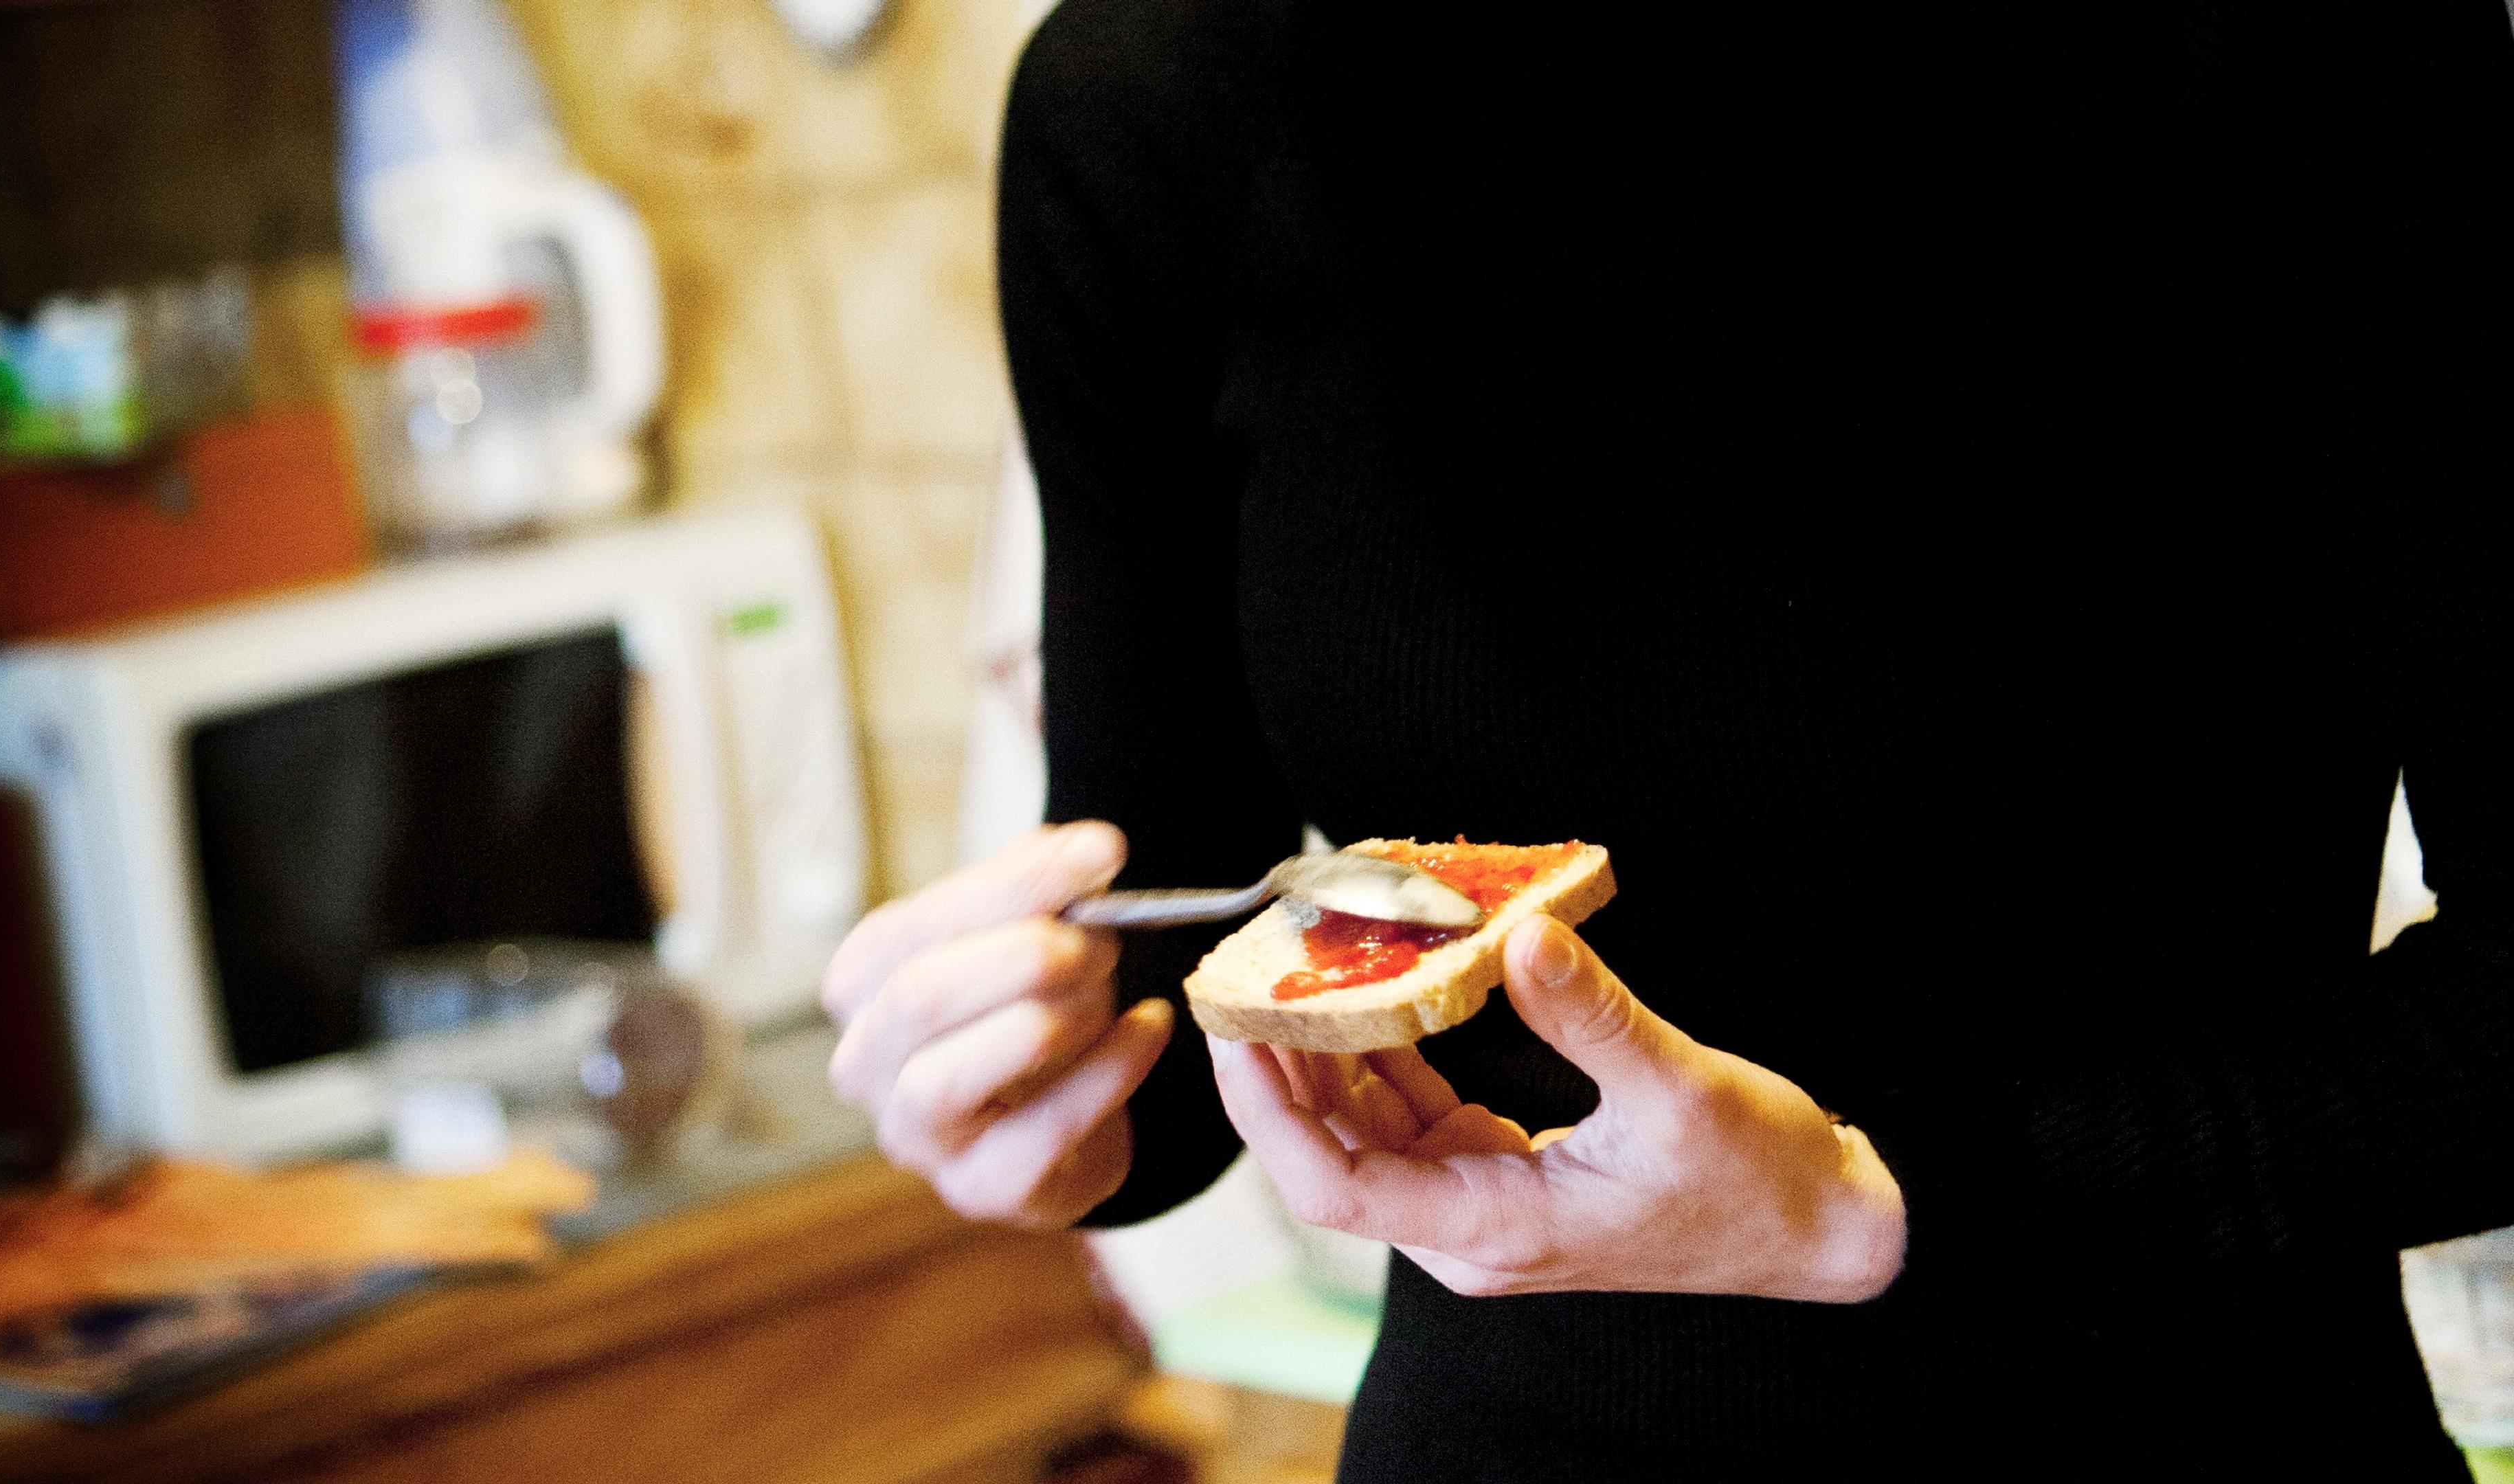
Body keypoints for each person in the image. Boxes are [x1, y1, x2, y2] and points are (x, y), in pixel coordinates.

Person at [826, 1, 2514, 1476]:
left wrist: (1882, 1209)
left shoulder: (2293, 44)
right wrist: (1041, 1098)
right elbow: (1184, 974)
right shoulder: (1152, 100)